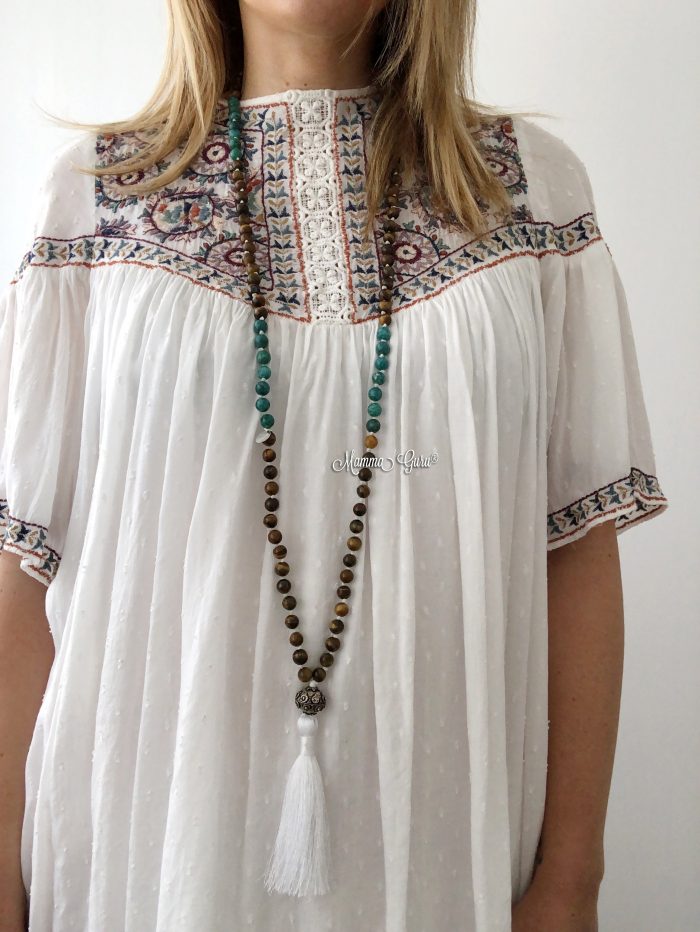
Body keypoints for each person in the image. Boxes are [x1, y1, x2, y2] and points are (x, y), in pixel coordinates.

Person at [0, 1, 669, 930]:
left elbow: (578, 546)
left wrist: (573, 877)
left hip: (442, 839)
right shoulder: (93, 199)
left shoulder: (529, 192)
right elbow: (23, 566)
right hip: (150, 843)